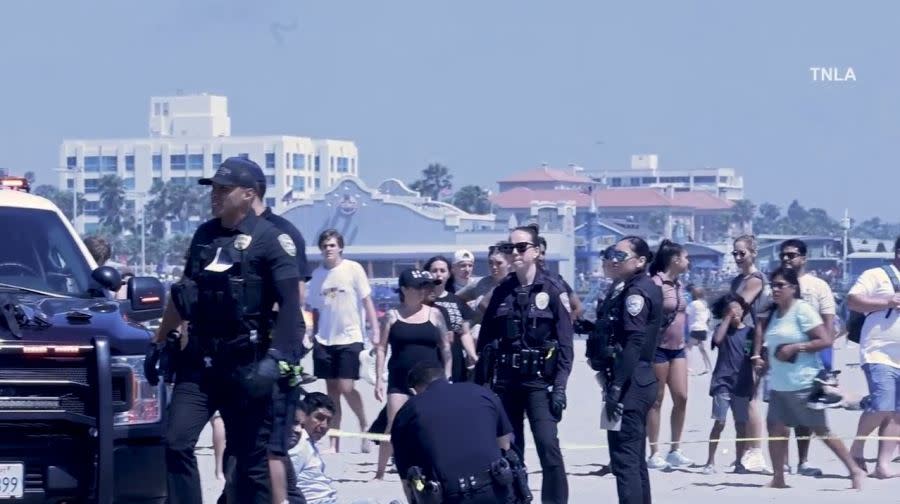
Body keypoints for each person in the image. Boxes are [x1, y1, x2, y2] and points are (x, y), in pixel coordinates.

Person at [154, 157, 303, 503]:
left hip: (247, 365)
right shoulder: (204, 235)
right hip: (201, 364)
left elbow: (291, 307)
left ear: (249, 194)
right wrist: (160, 340)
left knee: (250, 462)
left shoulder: (272, 239)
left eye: (224, 189)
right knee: (176, 442)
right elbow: (183, 291)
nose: (215, 195)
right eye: (214, 189)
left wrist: (277, 357)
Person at [476, 224, 573, 504]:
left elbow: (566, 344)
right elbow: (485, 341)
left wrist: (560, 387)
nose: (514, 253)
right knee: (509, 448)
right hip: (506, 382)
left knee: (548, 447)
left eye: (521, 247)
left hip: (539, 382)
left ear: (537, 251)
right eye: (510, 248)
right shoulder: (501, 291)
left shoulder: (553, 289)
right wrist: (484, 385)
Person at [762, 266, 865, 490]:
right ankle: (778, 477)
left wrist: (795, 347)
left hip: (803, 383)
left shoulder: (802, 310)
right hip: (779, 384)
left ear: (792, 288)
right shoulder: (773, 313)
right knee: (775, 429)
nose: (775, 289)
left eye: (780, 285)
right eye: (773, 285)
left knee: (821, 430)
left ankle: (854, 470)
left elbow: (825, 340)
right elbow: (770, 344)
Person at [391, 361, 529, 504]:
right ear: (446, 378)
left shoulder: (408, 411)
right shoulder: (482, 393)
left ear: (414, 390)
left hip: (448, 496)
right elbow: (505, 447)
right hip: (497, 491)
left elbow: (408, 481)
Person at [594, 236, 662, 504]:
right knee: (634, 459)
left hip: (630, 383)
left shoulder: (635, 292)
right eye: (611, 253)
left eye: (620, 255)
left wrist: (616, 387)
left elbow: (634, 342)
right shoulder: (630, 288)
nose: (613, 259)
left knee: (624, 461)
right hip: (637, 380)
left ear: (641, 261)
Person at [307, 229, 381, 453]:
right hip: (325, 339)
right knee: (332, 392)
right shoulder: (318, 275)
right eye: (325, 245)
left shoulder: (352, 269)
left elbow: (367, 301)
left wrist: (374, 330)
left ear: (340, 247)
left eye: (332, 245)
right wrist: (312, 333)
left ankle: (363, 424)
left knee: (346, 386)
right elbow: (315, 308)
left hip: (351, 336)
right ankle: (334, 442)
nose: (328, 249)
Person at [374, 268, 452, 480]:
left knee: (432, 424)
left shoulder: (435, 314)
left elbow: (445, 348)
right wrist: (378, 379)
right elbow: (381, 348)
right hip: (399, 378)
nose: (422, 291)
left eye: (425, 287)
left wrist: (447, 376)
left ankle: (438, 466)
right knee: (393, 423)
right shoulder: (392, 315)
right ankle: (380, 471)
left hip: (430, 380)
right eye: (418, 287)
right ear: (404, 289)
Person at [778, 238, 840, 476]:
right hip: (781, 354)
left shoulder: (817, 285)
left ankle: (803, 460)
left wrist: (827, 363)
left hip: (810, 354)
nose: (787, 259)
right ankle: (782, 462)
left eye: (791, 255)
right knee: (780, 411)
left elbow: (828, 324)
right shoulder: (776, 283)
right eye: (783, 255)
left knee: (806, 410)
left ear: (803, 258)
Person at [847, 236, 900, 478]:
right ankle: (857, 447)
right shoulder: (876, 274)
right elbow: (852, 300)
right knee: (881, 405)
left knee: (897, 412)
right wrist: (886, 301)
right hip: (878, 351)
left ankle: (883, 465)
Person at [646, 240, 692, 469]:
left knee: (682, 397)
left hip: (679, 347)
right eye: (685, 257)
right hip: (658, 348)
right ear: (674, 259)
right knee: (656, 400)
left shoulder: (679, 284)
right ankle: (654, 452)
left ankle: (675, 448)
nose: (688, 261)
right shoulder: (655, 283)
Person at [700, 293, 753, 474]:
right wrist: (728, 318)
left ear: (743, 309)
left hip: (742, 384)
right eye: (730, 309)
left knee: (741, 425)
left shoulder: (750, 332)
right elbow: (717, 341)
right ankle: (710, 461)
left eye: (737, 307)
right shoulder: (722, 330)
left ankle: (739, 462)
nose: (734, 311)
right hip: (722, 382)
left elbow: (754, 354)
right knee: (719, 423)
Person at [731, 235, 771, 473]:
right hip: (738, 341)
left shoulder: (756, 279)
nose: (737, 258)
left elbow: (738, 306)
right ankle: (745, 453)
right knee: (742, 399)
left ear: (753, 253)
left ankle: (755, 451)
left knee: (751, 398)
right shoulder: (738, 278)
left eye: (741, 253)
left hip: (753, 341)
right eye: (734, 253)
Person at [425, 256, 478, 382]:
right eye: (434, 270)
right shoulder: (422, 302)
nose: (438, 274)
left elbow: (464, 332)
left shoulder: (456, 300)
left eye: (442, 271)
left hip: (456, 360)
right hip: (431, 359)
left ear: (449, 274)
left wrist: (473, 356)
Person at [289, 392, 338, 504]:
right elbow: (285, 485)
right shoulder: (299, 445)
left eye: (328, 421)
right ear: (304, 416)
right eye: (319, 418)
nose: (325, 425)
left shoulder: (309, 442)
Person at [685, 285, 712, 374]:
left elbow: (686, 313)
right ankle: (708, 367)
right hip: (703, 328)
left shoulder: (693, 304)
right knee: (703, 349)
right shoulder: (705, 304)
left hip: (695, 328)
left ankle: (688, 367)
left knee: (688, 348)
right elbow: (708, 317)